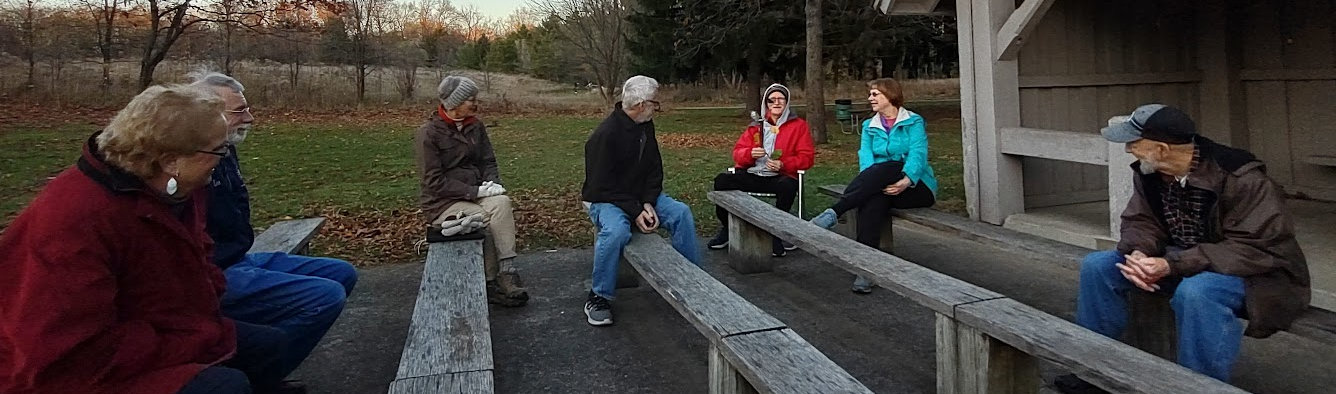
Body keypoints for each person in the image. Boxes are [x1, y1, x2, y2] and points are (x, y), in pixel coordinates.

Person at [0, 85, 265, 393]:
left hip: (157, 328)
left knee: (268, 347)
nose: (223, 158)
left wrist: (200, 316)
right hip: (63, 374)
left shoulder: (171, 190)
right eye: (218, 150)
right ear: (170, 160)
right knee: (224, 386)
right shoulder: (77, 221)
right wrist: (190, 339)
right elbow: (70, 353)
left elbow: (199, 256)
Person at [1055, 104, 1310, 391]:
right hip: (1185, 262)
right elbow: (1141, 221)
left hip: (1258, 274)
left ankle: (1197, 387)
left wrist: (1171, 265)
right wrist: (1138, 253)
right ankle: (1093, 370)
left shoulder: (1242, 178)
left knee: (1198, 292)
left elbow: (1254, 248)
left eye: (1134, 143)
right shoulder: (1150, 171)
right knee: (1099, 266)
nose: (1128, 150)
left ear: (1161, 149)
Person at [191, 72, 358, 393]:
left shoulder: (226, 150)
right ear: (207, 113)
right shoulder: (192, 161)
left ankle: (262, 368)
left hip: (240, 257)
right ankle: (258, 377)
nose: (250, 118)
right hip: (214, 271)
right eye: (240, 110)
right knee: (325, 297)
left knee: (342, 272)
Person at [580, 75, 701, 326]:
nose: (657, 108)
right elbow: (601, 186)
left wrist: (647, 201)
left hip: (640, 198)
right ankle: (598, 296)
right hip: (606, 200)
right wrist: (636, 211)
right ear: (641, 104)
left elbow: (654, 168)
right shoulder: (604, 136)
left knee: (681, 213)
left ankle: (691, 281)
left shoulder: (645, 126)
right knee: (616, 231)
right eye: (655, 103)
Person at [809, 78, 939, 294]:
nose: (870, 98)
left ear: (891, 95)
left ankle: (835, 212)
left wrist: (905, 180)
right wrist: (873, 183)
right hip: (882, 186)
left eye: (875, 94)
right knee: (873, 201)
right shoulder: (869, 126)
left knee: (890, 166)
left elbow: (918, 154)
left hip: (916, 187)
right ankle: (866, 270)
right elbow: (866, 159)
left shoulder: (914, 122)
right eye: (870, 94)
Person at [416, 75, 528, 307]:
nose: (476, 103)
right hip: (442, 202)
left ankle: (507, 272)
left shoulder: (475, 126)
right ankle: (488, 282)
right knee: (483, 218)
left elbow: (488, 161)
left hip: (476, 192)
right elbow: (433, 182)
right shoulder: (429, 133)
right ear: (455, 103)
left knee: (502, 203)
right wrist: (475, 192)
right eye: (471, 99)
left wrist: (492, 185)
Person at [706, 83, 816, 257]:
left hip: (780, 176)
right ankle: (728, 228)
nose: (776, 103)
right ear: (766, 103)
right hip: (753, 174)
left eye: (781, 99)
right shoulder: (756, 125)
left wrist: (784, 164)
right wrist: (750, 154)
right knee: (722, 181)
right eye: (772, 100)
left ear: (787, 102)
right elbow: (737, 153)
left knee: (788, 186)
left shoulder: (799, 126)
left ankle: (775, 234)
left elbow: (807, 157)